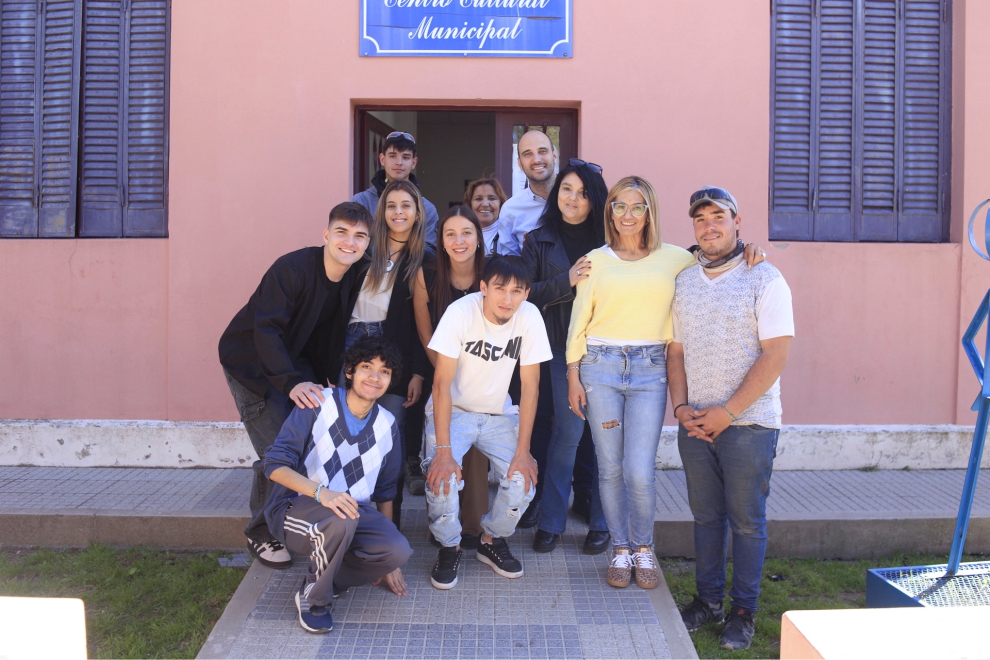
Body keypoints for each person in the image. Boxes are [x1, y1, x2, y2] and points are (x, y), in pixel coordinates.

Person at [566, 177, 765, 591]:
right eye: (619, 206)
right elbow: (579, 320)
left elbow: (718, 257)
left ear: (650, 212)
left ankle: (643, 547)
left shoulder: (677, 258)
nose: (627, 215)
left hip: (650, 371)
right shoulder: (594, 260)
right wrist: (572, 372)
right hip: (599, 368)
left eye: (637, 207)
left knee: (639, 470)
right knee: (609, 466)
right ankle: (620, 548)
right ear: (610, 212)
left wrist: (750, 249)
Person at [669, 186, 793, 651]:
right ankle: (707, 601)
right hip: (696, 424)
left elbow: (776, 353)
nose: (709, 225)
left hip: (750, 425)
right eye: (700, 219)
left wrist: (728, 412)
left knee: (746, 522)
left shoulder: (766, 278)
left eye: (718, 216)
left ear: (737, 221)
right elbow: (675, 351)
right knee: (705, 519)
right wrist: (681, 409)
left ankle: (743, 611)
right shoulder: (684, 279)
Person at [219, 202, 371, 569]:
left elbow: (329, 334)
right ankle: (261, 531)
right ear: (326, 235)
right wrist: (289, 383)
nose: (349, 242)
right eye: (342, 233)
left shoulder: (352, 275)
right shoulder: (291, 269)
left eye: (359, 236)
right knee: (277, 449)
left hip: (295, 366)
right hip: (252, 363)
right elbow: (266, 329)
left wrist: (329, 382)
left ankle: (288, 518)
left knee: (305, 446)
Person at [263, 338, 412, 634]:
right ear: (349, 371)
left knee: (397, 549)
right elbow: (274, 465)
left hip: (351, 512)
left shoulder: (387, 423)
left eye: (384, 372)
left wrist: (386, 563)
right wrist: (322, 493)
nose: (374, 377)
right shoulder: (318, 403)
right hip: (295, 507)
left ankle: (324, 580)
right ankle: (315, 600)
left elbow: (385, 491)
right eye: (367, 367)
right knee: (340, 519)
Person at [424, 256, 552, 590]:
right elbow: (441, 385)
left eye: (517, 291)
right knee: (443, 479)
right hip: (453, 411)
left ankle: (490, 539)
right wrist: (443, 450)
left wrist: (524, 451)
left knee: (523, 480)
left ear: (526, 294)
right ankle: (449, 546)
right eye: (499, 289)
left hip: (497, 415)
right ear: (483, 288)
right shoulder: (461, 312)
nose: (507, 299)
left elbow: (531, 387)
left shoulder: (529, 317)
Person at [521, 159, 611, 556]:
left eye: (581, 192)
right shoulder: (537, 240)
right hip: (559, 348)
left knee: (607, 436)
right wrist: (567, 280)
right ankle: (552, 522)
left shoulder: (613, 239)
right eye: (566, 190)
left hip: (607, 348)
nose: (572, 199)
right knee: (570, 432)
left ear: (594, 199)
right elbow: (525, 294)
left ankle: (603, 523)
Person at [341, 180, 431, 527]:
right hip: (351, 343)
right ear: (382, 212)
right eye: (391, 205)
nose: (398, 212)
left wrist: (419, 372)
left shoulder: (426, 258)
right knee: (349, 433)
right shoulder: (363, 249)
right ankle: (348, 520)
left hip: (394, 350)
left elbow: (424, 325)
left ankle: (387, 526)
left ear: (417, 212)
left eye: (406, 205)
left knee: (389, 438)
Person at [412, 206, 492, 548]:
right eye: (450, 234)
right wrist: (448, 373)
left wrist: (473, 377)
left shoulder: (493, 273)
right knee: (442, 445)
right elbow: (425, 332)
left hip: (490, 374)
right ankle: (442, 523)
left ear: (478, 238)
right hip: (442, 372)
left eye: (466, 233)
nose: (459, 241)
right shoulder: (426, 275)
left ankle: (472, 526)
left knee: (477, 449)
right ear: (441, 241)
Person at [351, 131, 440, 247]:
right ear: (382, 159)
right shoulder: (361, 202)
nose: (399, 162)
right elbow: (352, 242)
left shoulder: (427, 209)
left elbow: (429, 250)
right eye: (393, 156)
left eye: (405, 157)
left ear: (414, 162)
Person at [496, 130, 555, 256]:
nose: (537, 159)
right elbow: (510, 266)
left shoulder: (578, 197)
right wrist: (527, 259)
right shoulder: (510, 210)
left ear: (554, 155)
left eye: (542, 151)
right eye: (528, 154)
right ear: (520, 164)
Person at [464, 177, 507, 255]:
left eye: (491, 198)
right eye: (478, 199)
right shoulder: (461, 235)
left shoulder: (510, 234)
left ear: (501, 204)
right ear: (470, 205)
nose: (485, 204)